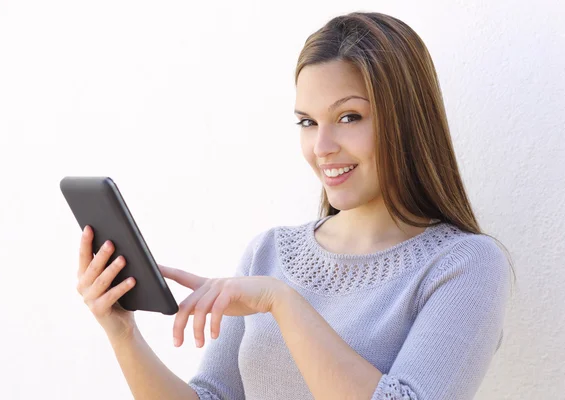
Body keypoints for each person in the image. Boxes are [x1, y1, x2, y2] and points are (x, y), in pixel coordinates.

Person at [75, 11, 516, 400]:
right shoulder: (267, 253)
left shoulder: (464, 265)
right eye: (308, 122)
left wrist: (283, 303)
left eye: (349, 117)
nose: (321, 146)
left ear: (405, 120)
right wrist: (122, 332)